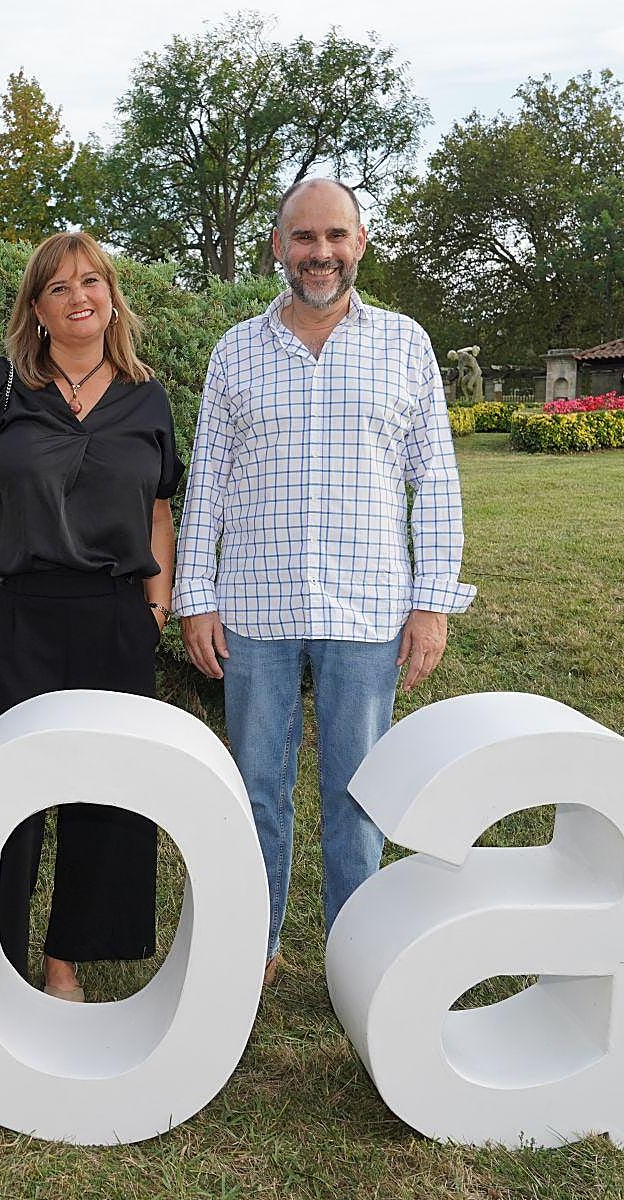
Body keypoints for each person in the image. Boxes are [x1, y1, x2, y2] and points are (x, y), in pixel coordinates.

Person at [174, 178, 476, 983]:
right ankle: (257, 945)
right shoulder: (235, 351)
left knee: (358, 797)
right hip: (256, 606)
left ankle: (355, 955)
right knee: (256, 793)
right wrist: (195, 597)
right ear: (278, 246)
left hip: (368, 605)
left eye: (336, 236)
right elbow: (206, 482)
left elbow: (436, 481)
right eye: (304, 237)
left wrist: (432, 605)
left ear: (360, 244)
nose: (320, 253)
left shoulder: (406, 345)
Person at [0, 230, 181, 1003]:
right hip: (15, 615)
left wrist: (157, 606)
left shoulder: (148, 396)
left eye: (92, 282)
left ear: (112, 296)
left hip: (116, 618)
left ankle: (67, 958)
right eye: (59, 288)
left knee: (105, 797)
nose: (79, 297)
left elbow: (160, 509)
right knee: (5, 797)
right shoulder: (2, 388)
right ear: (37, 309)